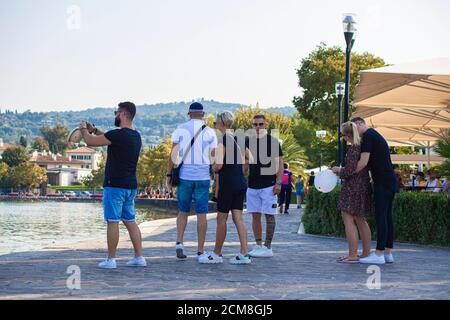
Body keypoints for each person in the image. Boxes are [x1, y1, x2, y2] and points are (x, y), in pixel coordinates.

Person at [80, 102, 146, 269]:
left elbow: (90, 141)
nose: (116, 115)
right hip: (130, 186)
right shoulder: (135, 136)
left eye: (117, 112)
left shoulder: (117, 135)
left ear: (123, 114)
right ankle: (139, 257)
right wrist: (94, 130)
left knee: (112, 221)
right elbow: (106, 138)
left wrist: (82, 129)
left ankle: (111, 260)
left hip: (115, 185)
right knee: (130, 221)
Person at [166, 102, 217, 262]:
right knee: (202, 214)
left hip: (185, 177)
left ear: (189, 114)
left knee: (183, 211)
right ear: (203, 114)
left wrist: (169, 174)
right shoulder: (210, 132)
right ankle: (200, 250)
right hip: (202, 178)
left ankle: (179, 243)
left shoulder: (181, 128)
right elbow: (214, 158)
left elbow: (173, 155)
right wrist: (216, 179)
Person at [199, 111, 251, 264]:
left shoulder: (223, 141)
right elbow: (250, 158)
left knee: (221, 219)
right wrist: (239, 168)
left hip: (228, 185)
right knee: (238, 218)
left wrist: (213, 166)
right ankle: (244, 253)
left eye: (215, 123)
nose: (215, 125)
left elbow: (219, 166)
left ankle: (216, 253)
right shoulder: (239, 140)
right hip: (240, 182)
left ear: (221, 123)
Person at [351, 117, 398, 265]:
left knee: (381, 217)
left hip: (382, 183)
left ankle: (378, 254)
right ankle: (387, 253)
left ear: (359, 124)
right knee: (387, 218)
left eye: (354, 127)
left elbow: (363, 162)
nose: (354, 132)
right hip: (389, 181)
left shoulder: (368, 136)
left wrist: (347, 172)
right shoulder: (375, 135)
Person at [332, 122, 372, 263]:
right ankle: (366, 253)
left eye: (343, 135)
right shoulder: (361, 147)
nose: (342, 138)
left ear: (348, 135)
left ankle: (352, 254)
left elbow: (349, 171)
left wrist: (338, 170)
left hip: (352, 187)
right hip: (363, 186)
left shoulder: (353, 149)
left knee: (348, 220)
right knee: (361, 220)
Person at [246, 114, 283, 258]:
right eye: (255, 124)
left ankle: (268, 247)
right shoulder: (248, 142)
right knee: (255, 216)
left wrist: (279, 182)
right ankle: (258, 245)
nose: (257, 127)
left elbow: (280, 163)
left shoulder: (273, 142)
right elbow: (245, 162)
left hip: (269, 185)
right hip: (252, 185)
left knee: (270, 216)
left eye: (260, 124)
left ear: (265, 125)